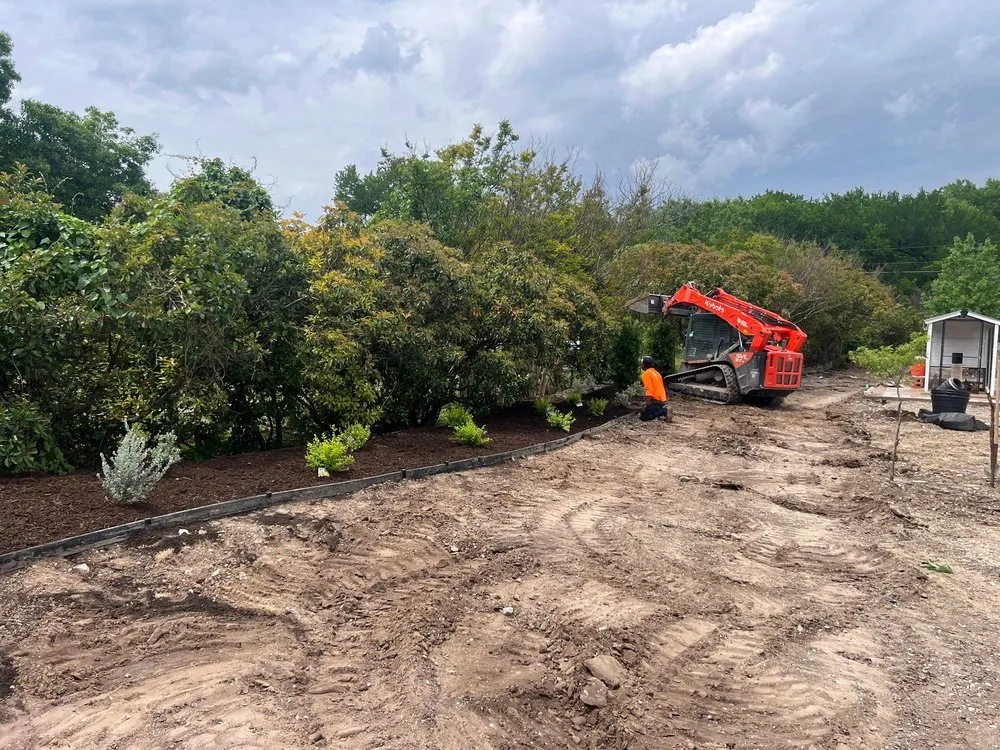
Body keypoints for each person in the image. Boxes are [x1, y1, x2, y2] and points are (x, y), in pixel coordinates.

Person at [639, 356, 671, 422]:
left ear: (644, 365)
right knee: (645, 412)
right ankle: (660, 410)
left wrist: (646, 404)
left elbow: (649, 389)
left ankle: (664, 411)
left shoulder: (646, 374)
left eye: (642, 363)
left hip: (656, 401)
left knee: (644, 418)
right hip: (662, 400)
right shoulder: (656, 373)